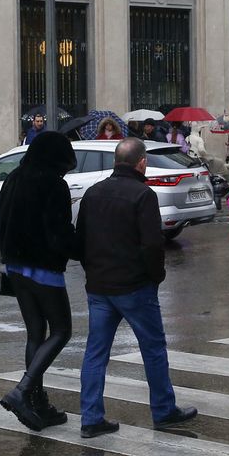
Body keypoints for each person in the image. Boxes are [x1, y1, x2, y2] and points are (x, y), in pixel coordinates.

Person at [75, 137, 196, 437]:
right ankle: (164, 410)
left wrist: (92, 271)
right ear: (141, 162)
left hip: (100, 287)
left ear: (116, 161)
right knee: (153, 348)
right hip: (134, 287)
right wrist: (155, 277)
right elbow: (152, 245)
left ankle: (91, 417)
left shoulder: (93, 193)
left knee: (95, 353)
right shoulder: (143, 195)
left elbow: (80, 240)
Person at [0, 131, 80, 430]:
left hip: (16, 267)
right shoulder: (53, 184)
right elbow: (59, 233)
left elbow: (3, 220)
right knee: (61, 330)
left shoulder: (13, 178)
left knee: (35, 333)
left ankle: (37, 402)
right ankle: (23, 391)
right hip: (44, 267)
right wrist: (81, 249)